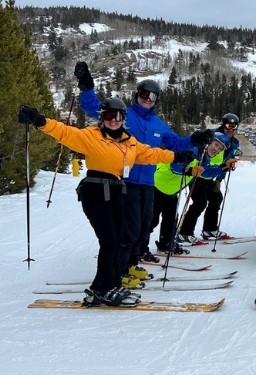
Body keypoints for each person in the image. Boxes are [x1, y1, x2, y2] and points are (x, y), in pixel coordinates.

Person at [18, 100, 195, 306]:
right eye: (110, 116)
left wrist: (176, 156)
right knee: (109, 240)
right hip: (95, 190)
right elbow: (65, 133)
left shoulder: (130, 142)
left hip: (118, 190)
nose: (114, 121)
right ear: (102, 117)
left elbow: (151, 154)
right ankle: (102, 288)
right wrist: (39, 121)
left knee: (120, 240)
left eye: (119, 116)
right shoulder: (91, 136)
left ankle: (110, 284)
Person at [74, 62, 210, 274]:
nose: (147, 99)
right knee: (128, 228)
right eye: (144, 94)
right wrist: (86, 86)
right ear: (137, 95)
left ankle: (131, 263)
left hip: (148, 182)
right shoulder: (123, 115)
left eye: (152, 96)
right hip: (124, 182)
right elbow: (91, 105)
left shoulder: (158, 124)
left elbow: (176, 144)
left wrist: (195, 138)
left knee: (144, 227)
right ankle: (119, 271)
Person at [176, 127, 236, 244]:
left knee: (216, 198)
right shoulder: (197, 150)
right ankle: (184, 233)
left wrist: (224, 168)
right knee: (200, 202)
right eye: (215, 144)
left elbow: (207, 170)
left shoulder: (208, 155)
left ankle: (209, 229)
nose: (216, 149)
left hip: (203, 177)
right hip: (193, 178)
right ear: (210, 142)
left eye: (219, 148)